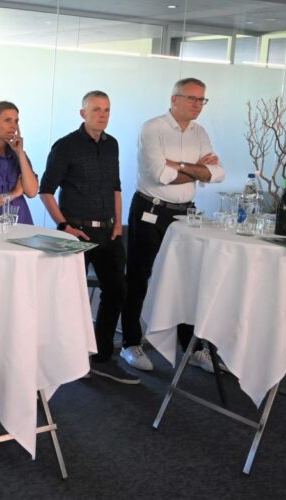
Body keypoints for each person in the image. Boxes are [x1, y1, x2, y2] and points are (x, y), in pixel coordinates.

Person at [122, 77, 225, 374]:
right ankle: (131, 342)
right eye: (192, 99)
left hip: (184, 213)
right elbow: (157, 175)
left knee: (188, 279)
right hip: (150, 210)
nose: (197, 105)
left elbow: (217, 173)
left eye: (202, 100)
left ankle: (192, 348)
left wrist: (178, 166)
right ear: (174, 99)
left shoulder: (200, 132)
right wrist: (198, 171)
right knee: (139, 275)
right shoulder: (152, 128)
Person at [39, 91, 137, 384]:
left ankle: (102, 355)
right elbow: (46, 191)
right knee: (73, 298)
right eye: (96, 110)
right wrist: (64, 226)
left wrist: (119, 222)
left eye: (107, 110)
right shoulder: (65, 146)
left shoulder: (112, 145)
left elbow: (116, 186)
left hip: (109, 230)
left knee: (117, 291)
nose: (102, 115)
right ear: (83, 113)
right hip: (76, 232)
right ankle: (68, 356)